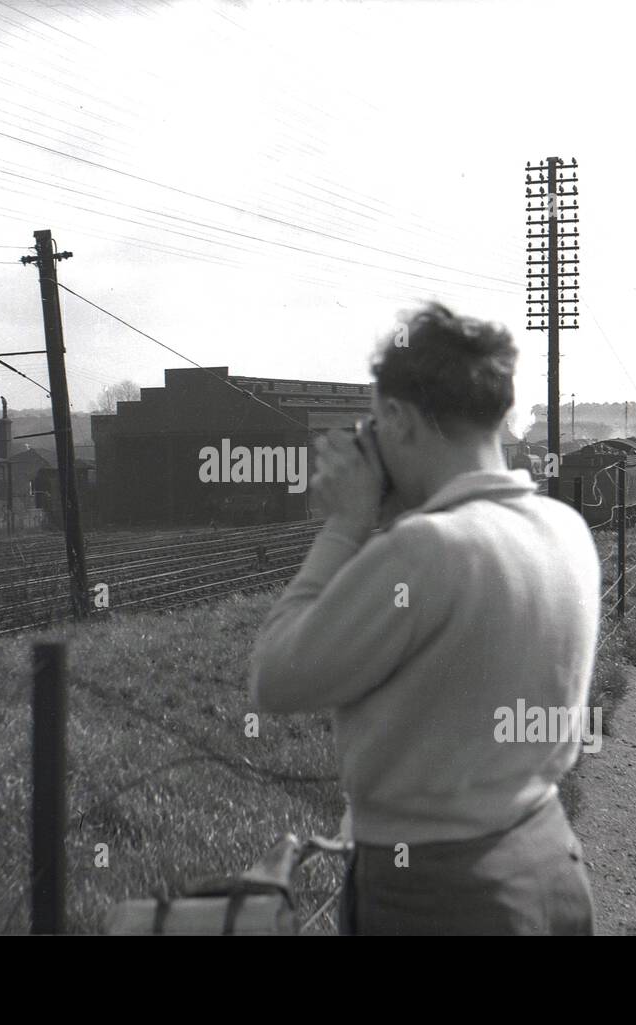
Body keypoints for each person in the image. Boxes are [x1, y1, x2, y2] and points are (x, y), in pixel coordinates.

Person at [248, 302, 600, 935]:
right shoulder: (564, 528)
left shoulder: (426, 550)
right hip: (549, 862)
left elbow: (275, 677)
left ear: (400, 420)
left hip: (439, 896)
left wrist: (346, 524)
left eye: (377, 426)